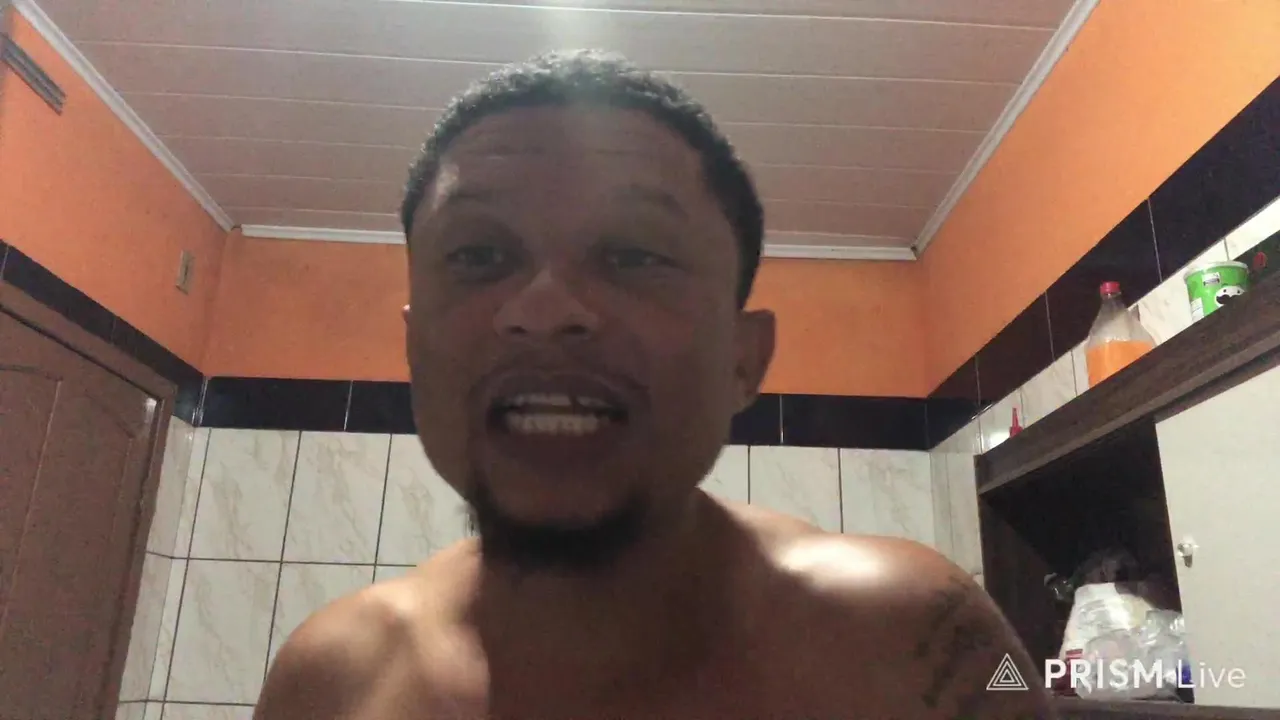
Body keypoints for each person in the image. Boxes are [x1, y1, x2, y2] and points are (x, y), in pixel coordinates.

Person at [254, 50, 1054, 720]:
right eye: (477, 256)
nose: (545, 310)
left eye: (634, 254)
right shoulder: (327, 683)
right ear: (412, 348)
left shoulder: (918, 633)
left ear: (744, 359)